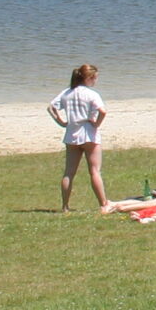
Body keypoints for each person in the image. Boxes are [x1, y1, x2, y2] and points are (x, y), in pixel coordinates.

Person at [46, 64, 110, 213]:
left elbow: (51, 107)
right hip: (89, 133)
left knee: (69, 172)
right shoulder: (91, 94)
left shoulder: (67, 93)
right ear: (89, 78)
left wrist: (61, 122)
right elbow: (103, 111)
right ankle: (103, 204)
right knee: (94, 171)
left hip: (72, 133)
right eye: (95, 78)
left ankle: (65, 206)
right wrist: (97, 123)